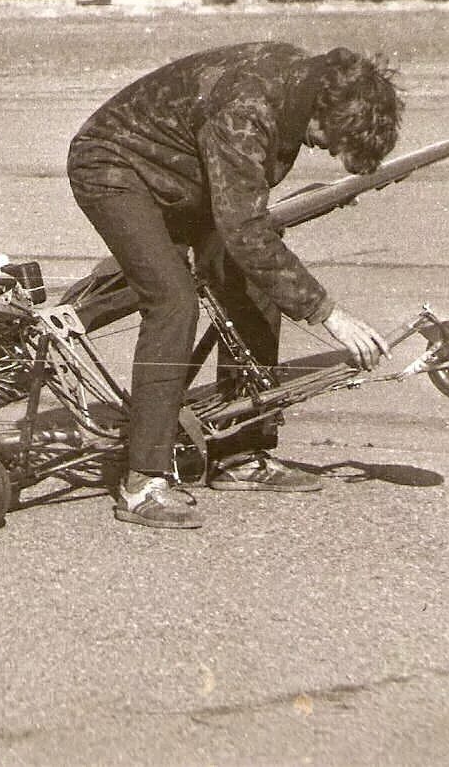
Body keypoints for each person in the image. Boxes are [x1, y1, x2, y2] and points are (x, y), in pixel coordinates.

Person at [67, 42, 403, 529]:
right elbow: (244, 231)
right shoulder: (249, 109)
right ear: (326, 110)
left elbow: (244, 217)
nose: (321, 149)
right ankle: (142, 481)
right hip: (114, 166)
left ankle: (239, 451)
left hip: (184, 173)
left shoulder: (300, 87)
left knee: (256, 285)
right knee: (173, 300)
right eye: (328, 141)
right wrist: (329, 313)